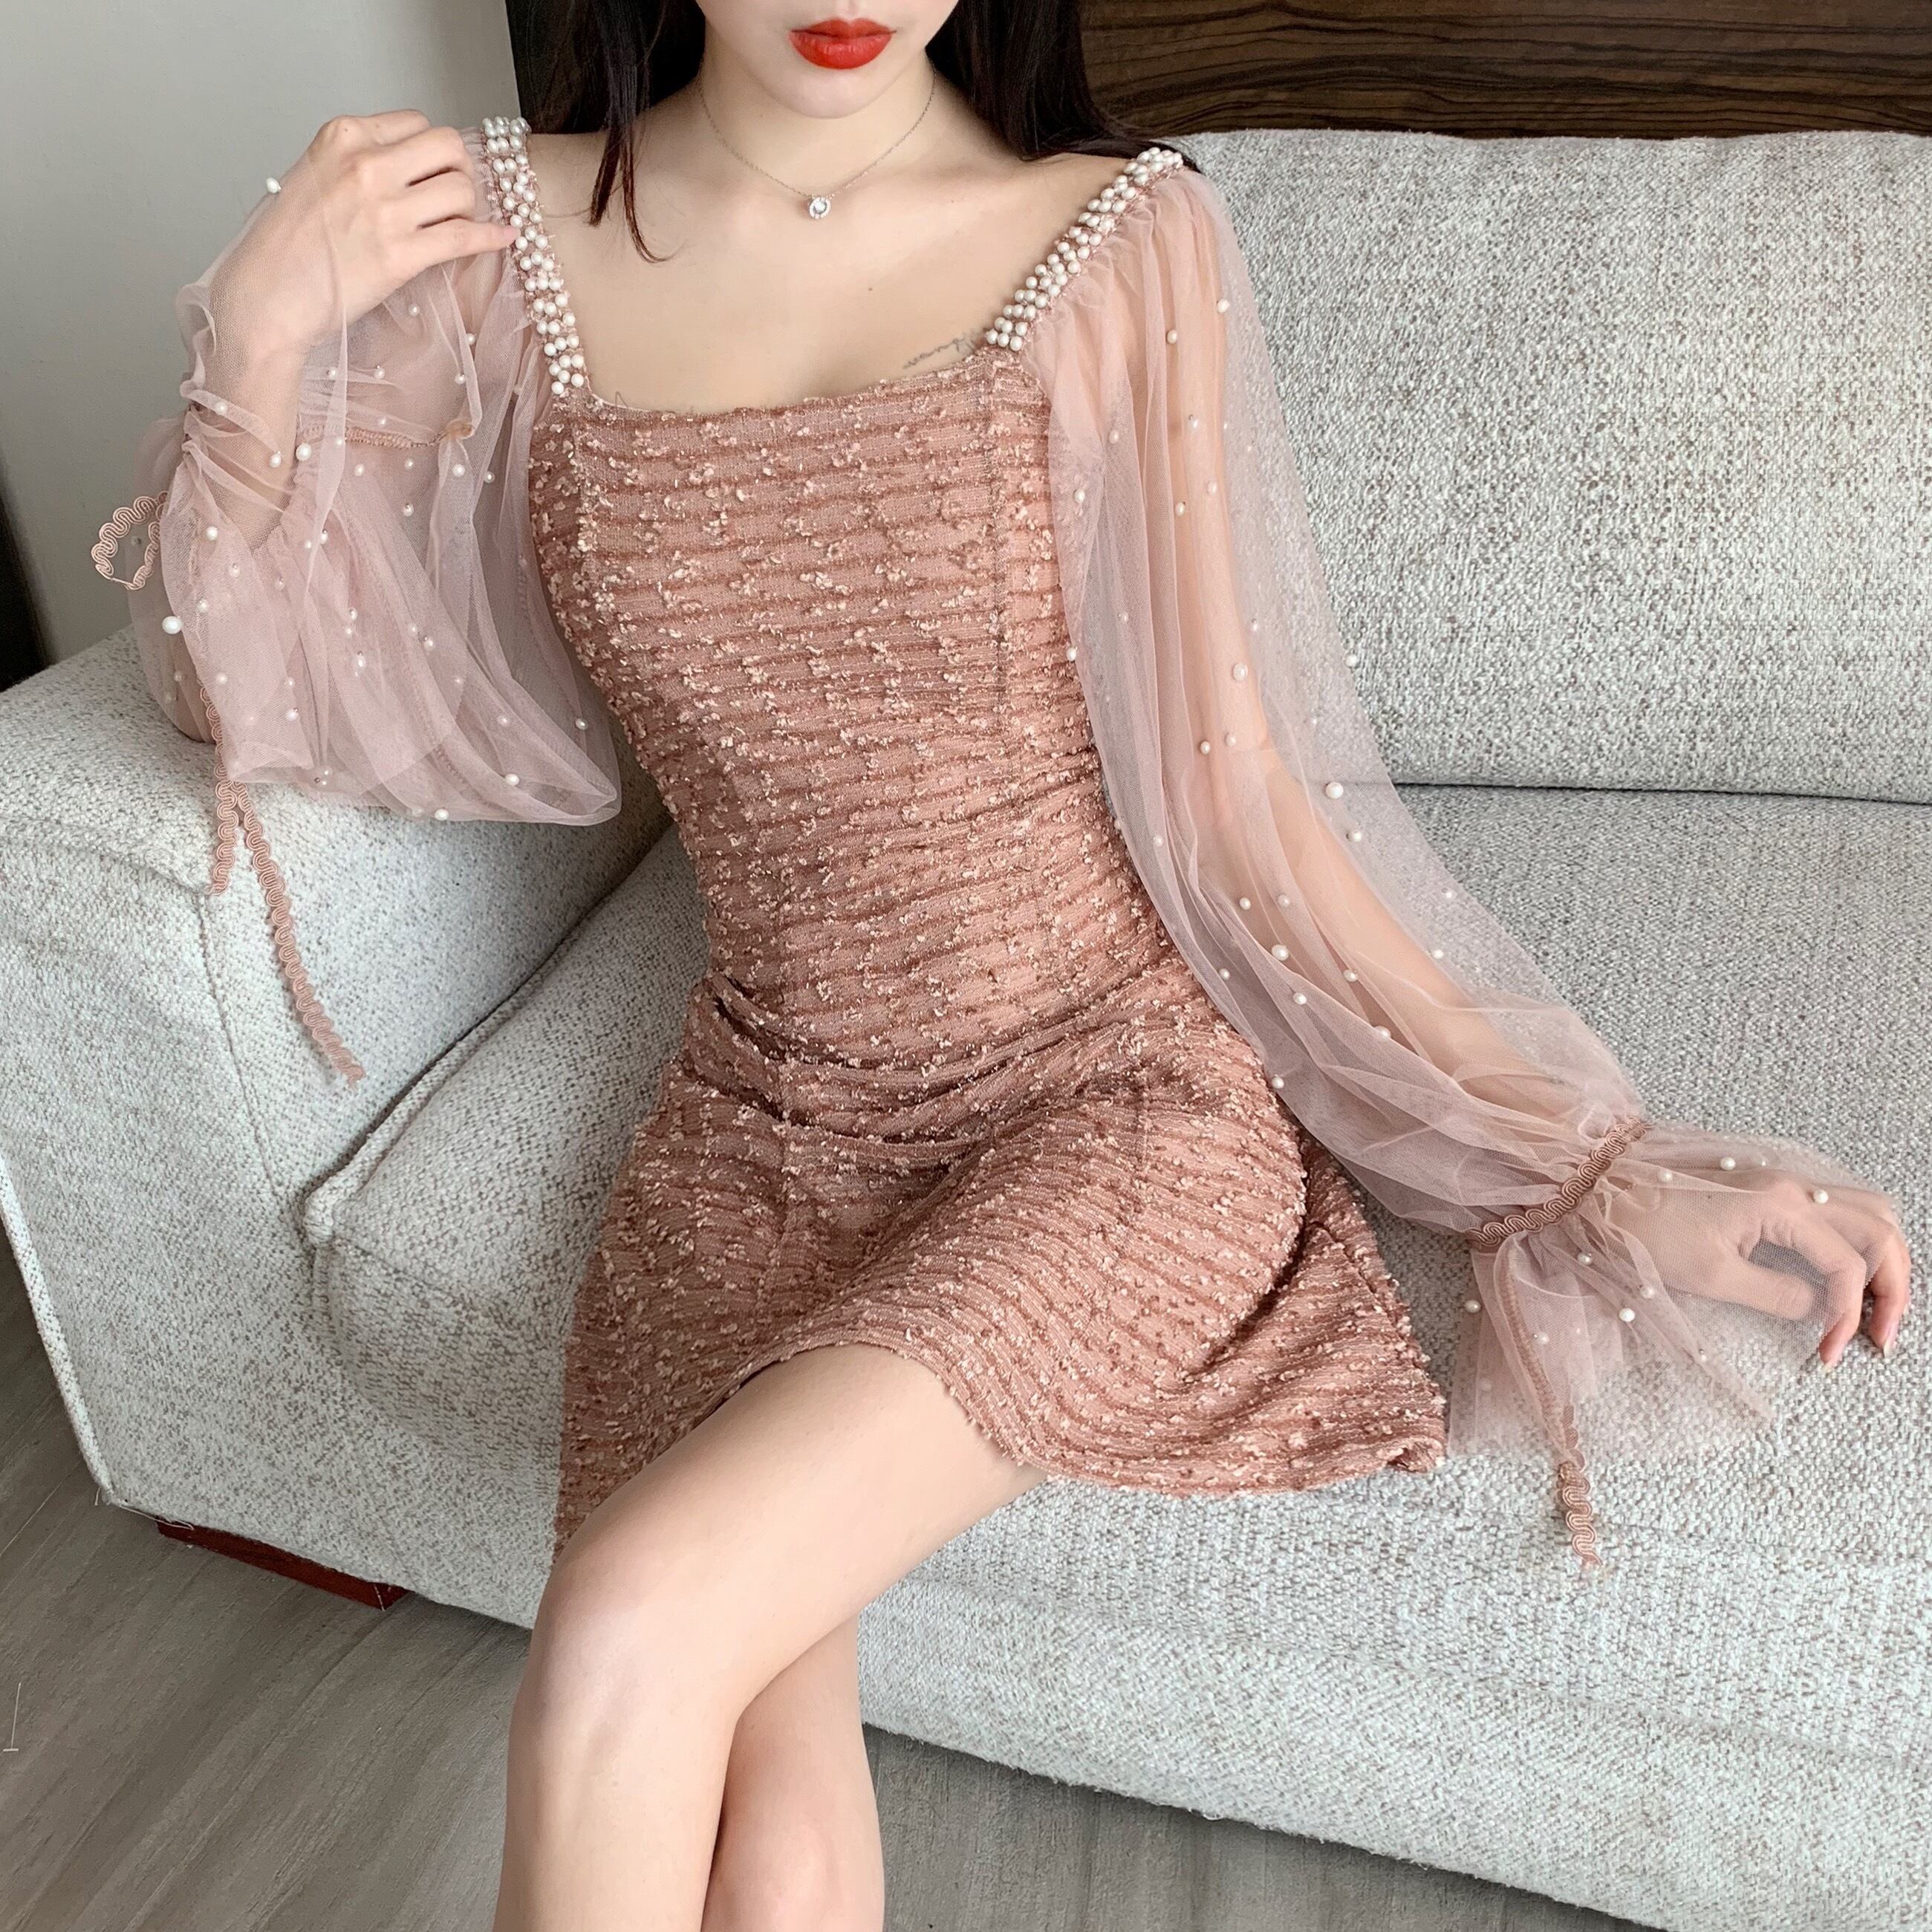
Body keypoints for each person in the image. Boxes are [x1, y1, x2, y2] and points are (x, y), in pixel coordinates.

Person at [92, 4, 1913, 1926]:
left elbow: (1244, 812)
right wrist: (256, 345)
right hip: (761, 1117)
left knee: (629, 1623)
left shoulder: (1115, 241)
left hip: (1112, 1110)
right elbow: (262, 702)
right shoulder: (488, 247)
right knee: (756, 1774)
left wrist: (1579, 1163)